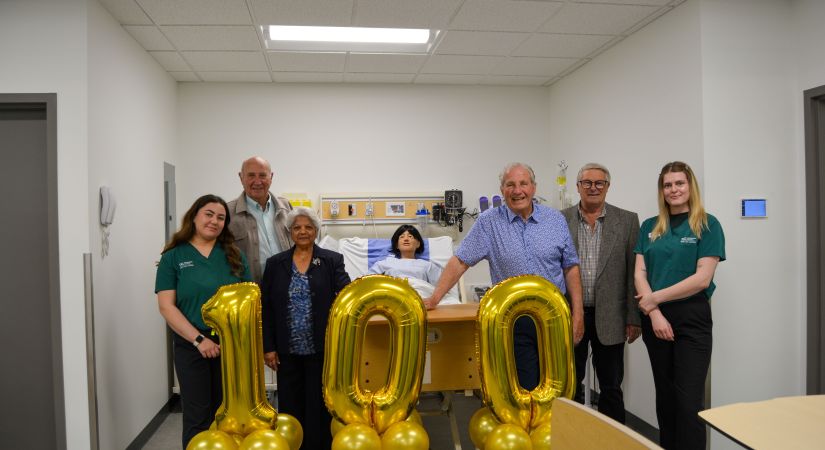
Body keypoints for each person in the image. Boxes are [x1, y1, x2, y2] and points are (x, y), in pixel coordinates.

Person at [426, 162, 584, 390]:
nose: (517, 190)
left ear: (534, 187)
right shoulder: (489, 223)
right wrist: (435, 298)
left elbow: (571, 267)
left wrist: (577, 314)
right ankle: (528, 425)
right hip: (515, 319)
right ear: (502, 190)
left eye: (523, 184)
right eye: (510, 185)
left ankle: (554, 426)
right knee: (526, 385)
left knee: (560, 386)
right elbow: (460, 261)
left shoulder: (555, 220)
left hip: (554, 316)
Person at [634, 161, 725, 450]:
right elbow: (640, 273)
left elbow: (702, 279)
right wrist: (655, 313)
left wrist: (654, 300)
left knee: (689, 403)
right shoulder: (650, 226)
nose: (673, 189)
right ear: (662, 190)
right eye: (667, 185)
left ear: (690, 186)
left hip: (691, 317)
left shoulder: (707, 225)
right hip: (655, 318)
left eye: (679, 183)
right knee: (666, 398)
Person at [154, 194, 252, 448]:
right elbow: (166, 307)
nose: (214, 221)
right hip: (192, 344)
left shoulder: (234, 255)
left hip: (232, 346)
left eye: (221, 217)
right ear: (194, 216)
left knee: (229, 413)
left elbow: (249, 300)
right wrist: (199, 340)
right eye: (209, 214)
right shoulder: (173, 257)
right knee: (198, 415)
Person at [261, 207, 351, 450]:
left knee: (320, 405)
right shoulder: (275, 264)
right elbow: (266, 308)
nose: (303, 231)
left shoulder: (332, 260)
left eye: (308, 227)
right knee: (290, 405)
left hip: (321, 348)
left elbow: (347, 296)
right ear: (290, 232)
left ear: (316, 231)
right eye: (297, 227)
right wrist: (268, 347)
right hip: (286, 349)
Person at [562, 163, 640, 424]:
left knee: (611, 388)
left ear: (608, 187)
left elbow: (633, 272)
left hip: (612, 316)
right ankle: (569, 438)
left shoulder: (627, 220)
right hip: (571, 315)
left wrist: (634, 317)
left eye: (599, 183)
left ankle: (613, 440)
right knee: (568, 384)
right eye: (587, 183)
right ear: (578, 187)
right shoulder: (559, 219)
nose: (593, 188)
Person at [228, 156, 293, 283]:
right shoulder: (228, 212)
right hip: (250, 292)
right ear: (241, 177)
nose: (257, 182)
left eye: (262, 175)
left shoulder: (286, 207)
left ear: (271, 177)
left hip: (288, 287)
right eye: (251, 175)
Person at [367, 224, 442, 283]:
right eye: (402, 237)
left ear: (418, 244)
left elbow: (442, 287)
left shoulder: (427, 266)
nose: (406, 239)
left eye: (410, 236)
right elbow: (367, 283)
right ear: (396, 245)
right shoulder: (384, 264)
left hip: (420, 296)